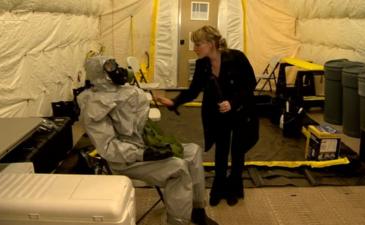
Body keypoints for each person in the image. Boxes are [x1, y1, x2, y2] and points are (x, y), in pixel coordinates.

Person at [77, 55, 218, 225]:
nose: (117, 71)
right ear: (100, 74)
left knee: (193, 151)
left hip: (144, 146)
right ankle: (177, 222)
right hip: (126, 161)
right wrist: (144, 153)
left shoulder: (121, 91)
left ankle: (197, 210)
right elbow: (108, 148)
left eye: (115, 65)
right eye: (110, 68)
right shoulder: (94, 104)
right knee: (178, 168)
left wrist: (152, 144)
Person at [157, 25, 259, 207]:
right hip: (216, 114)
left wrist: (232, 102)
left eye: (198, 44)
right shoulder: (202, 64)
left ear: (211, 44)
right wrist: (174, 102)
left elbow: (250, 84)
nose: (195, 48)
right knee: (220, 151)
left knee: (237, 151)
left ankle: (234, 188)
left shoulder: (237, 57)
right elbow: (194, 90)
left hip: (241, 111)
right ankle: (218, 189)